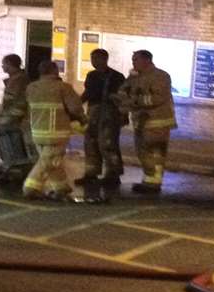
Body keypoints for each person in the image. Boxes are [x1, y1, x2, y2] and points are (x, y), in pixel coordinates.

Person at [23, 60, 84, 201]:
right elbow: (75, 108)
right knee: (47, 161)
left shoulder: (31, 87)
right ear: (55, 71)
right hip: (57, 132)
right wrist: (82, 119)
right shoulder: (63, 87)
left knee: (52, 160)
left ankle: (60, 187)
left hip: (37, 131)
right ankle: (31, 187)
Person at [124, 48, 177, 194]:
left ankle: (155, 182)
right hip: (141, 122)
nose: (133, 62)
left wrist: (136, 101)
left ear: (146, 60)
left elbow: (159, 97)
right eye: (132, 59)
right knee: (142, 152)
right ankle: (148, 179)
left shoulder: (160, 76)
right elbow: (124, 91)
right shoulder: (136, 77)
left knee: (155, 153)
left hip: (157, 121)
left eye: (136, 59)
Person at [79, 48, 127, 197]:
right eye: (92, 58)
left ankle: (113, 174)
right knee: (90, 142)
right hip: (93, 112)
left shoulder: (117, 77)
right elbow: (88, 93)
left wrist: (123, 114)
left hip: (110, 113)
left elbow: (122, 98)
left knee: (108, 143)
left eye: (96, 58)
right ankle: (91, 173)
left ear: (104, 59)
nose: (93, 62)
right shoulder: (91, 75)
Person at [0, 53, 33, 183]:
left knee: (12, 146)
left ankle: (14, 173)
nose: (3, 66)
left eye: (4, 64)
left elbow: (18, 102)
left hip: (15, 119)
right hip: (13, 118)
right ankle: (15, 172)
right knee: (13, 146)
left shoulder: (19, 80)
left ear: (10, 64)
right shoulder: (17, 79)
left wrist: (7, 118)